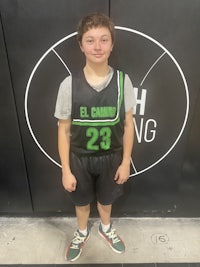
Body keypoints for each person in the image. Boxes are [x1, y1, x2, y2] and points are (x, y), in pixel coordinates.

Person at [54, 12, 136, 262]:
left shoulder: (123, 82)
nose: (97, 46)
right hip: (80, 158)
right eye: (90, 40)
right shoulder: (69, 84)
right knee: (81, 202)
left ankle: (105, 228)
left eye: (103, 39)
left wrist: (125, 161)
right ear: (80, 45)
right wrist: (65, 169)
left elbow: (129, 126)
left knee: (106, 200)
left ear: (112, 44)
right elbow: (63, 129)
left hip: (111, 157)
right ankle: (81, 231)